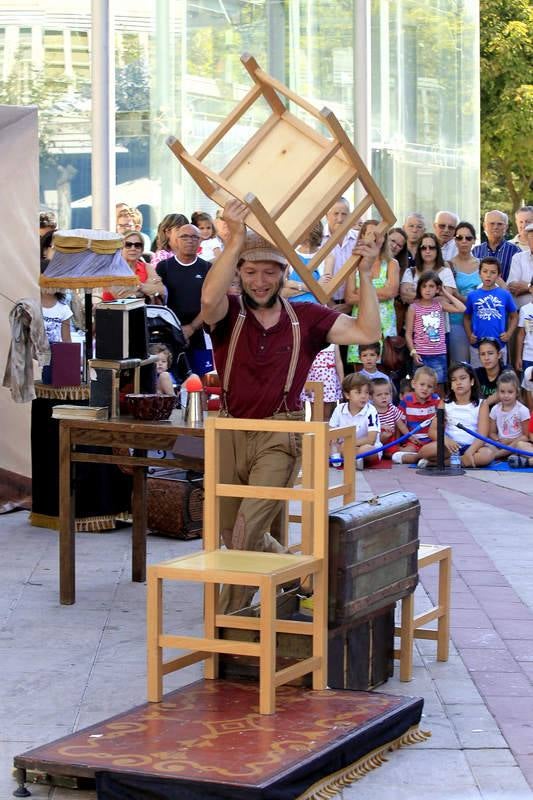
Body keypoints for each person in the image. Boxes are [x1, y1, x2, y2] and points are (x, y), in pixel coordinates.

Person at [201, 198, 381, 612]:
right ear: (239, 274)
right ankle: (302, 578)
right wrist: (234, 241)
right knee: (232, 533)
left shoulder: (307, 317)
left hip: (280, 435)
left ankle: (229, 626)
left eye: (269, 272)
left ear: (284, 274)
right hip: (229, 430)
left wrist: (367, 276)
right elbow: (208, 300)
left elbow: (367, 329)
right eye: (250, 271)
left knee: (246, 534)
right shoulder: (228, 312)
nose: (259, 281)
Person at [157, 222, 212, 375]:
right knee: (172, 380)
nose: (190, 240)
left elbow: (211, 302)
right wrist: (178, 331)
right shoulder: (164, 267)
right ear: (176, 240)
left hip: (200, 333)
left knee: (202, 380)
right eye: (185, 236)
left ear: (200, 241)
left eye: (194, 237)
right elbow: (159, 303)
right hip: (171, 335)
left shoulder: (207, 268)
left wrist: (193, 327)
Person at [345, 220, 399, 367]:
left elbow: (391, 292)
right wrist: (381, 291)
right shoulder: (353, 265)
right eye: (369, 234)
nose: (374, 239)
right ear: (362, 236)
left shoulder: (391, 264)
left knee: (384, 369)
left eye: (378, 235)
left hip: (385, 325)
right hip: (360, 323)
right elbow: (349, 297)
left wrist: (361, 292)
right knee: (360, 372)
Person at [420, 362, 494, 469]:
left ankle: (439, 463)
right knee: (425, 451)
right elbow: (432, 431)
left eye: (462, 378)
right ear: (451, 385)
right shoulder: (444, 403)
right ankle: (461, 461)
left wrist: (470, 452)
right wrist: (446, 440)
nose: (458, 382)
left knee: (487, 455)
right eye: (454, 380)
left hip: (472, 447)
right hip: (449, 447)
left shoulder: (482, 404)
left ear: (472, 381)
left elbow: (482, 435)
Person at [405, 271, 466, 395]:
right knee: (421, 389)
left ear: (437, 289)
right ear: (419, 288)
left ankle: (439, 413)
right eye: (424, 286)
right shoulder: (413, 308)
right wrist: (413, 352)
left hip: (438, 354)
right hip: (420, 354)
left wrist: (445, 293)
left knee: (439, 389)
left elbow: (462, 308)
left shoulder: (439, 305)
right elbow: (408, 334)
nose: (427, 290)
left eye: (431, 286)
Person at [463, 257, 518, 367]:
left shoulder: (505, 295)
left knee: (500, 378)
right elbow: (466, 317)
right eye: (485, 271)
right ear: (479, 273)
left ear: (498, 275)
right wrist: (469, 335)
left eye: (493, 272)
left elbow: (514, 316)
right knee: (478, 377)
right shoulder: (472, 296)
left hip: (499, 345)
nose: (488, 275)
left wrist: (508, 334)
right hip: (477, 346)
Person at [329, 373, 381, 470]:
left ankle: (351, 458)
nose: (363, 396)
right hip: (344, 447)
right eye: (358, 392)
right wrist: (334, 443)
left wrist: (349, 443)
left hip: (365, 447)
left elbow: (371, 439)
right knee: (324, 446)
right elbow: (331, 432)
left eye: (366, 392)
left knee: (367, 449)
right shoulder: (339, 409)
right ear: (347, 395)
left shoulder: (371, 410)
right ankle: (353, 459)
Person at [391, 366, 440, 465]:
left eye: (429, 386)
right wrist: (405, 439)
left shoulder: (436, 400)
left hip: (431, 441)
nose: (425, 388)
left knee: (439, 449)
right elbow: (399, 422)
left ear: (434, 389)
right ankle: (422, 459)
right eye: (422, 384)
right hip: (413, 441)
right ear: (414, 384)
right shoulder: (407, 400)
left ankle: (420, 458)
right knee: (396, 456)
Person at [102, 231, 166, 303]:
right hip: (113, 312)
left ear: (142, 250)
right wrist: (147, 289)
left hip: (143, 312)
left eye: (137, 245)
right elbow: (124, 297)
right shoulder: (111, 269)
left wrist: (138, 287)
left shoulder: (147, 267)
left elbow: (161, 290)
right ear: (120, 248)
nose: (133, 248)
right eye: (128, 245)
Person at [448, 221, 480, 363]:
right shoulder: (448, 265)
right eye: (459, 237)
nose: (464, 241)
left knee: (480, 365)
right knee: (460, 365)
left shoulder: (483, 264)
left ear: (474, 240)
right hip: (456, 321)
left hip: (479, 321)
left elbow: (502, 289)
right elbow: (449, 293)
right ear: (455, 240)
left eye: (468, 238)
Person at [400, 233, 457, 306]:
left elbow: (447, 299)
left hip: (438, 316)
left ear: (437, 250)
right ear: (419, 251)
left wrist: (416, 295)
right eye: (423, 248)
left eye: (431, 247)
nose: (427, 251)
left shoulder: (446, 272)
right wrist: (436, 295)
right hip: (414, 316)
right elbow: (405, 297)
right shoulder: (410, 272)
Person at [284, 220, 331, 303]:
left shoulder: (327, 256)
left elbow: (325, 290)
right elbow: (282, 291)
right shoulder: (289, 255)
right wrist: (314, 287)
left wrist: (292, 284)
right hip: (293, 310)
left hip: (318, 309)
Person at [322, 197, 358, 303]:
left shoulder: (358, 239)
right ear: (326, 215)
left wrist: (350, 304)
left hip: (353, 302)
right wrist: (329, 304)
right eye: (336, 213)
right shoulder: (318, 240)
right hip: (324, 303)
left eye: (344, 214)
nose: (340, 219)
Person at [488, 371, 530, 461]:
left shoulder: (522, 410)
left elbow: (526, 436)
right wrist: (497, 440)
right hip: (500, 444)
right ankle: (505, 455)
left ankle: (497, 456)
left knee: (521, 444)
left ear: (517, 393)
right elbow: (491, 433)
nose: (506, 395)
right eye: (502, 392)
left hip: (515, 444)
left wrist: (509, 441)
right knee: (485, 445)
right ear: (498, 392)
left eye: (510, 392)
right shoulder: (495, 409)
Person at [472, 210, 520, 282]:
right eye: (492, 223)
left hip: (506, 292)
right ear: (485, 226)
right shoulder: (476, 251)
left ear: (506, 227)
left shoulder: (516, 251)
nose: (495, 227)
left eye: (500, 224)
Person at [301, 342, 343, 420]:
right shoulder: (309, 342)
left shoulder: (333, 342)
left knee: (327, 413)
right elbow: (304, 362)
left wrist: (342, 381)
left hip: (329, 382)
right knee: (315, 413)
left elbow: (338, 362)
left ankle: (325, 431)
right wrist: (306, 383)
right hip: (313, 380)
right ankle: (314, 431)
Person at [371, 377, 409, 458]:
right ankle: (385, 452)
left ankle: (389, 452)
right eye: (379, 395)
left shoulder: (392, 408)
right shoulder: (370, 410)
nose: (384, 397)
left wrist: (410, 436)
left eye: (386, 394)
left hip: (390, 440)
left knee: (392, 444)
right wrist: (382, 426)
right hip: (376, 439)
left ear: (391, 394)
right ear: (371, 397)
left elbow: (401, 425)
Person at [475, 337, 507, 402]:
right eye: (482, 354)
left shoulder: (507, 372)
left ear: (499, 355)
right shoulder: (476, 373)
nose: (486, 358)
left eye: (490, 353)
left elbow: (505, 391)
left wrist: (485, 404)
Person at [515, 293, 533, 411]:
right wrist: (518, 357)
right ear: (531, 288)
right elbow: (521, 334)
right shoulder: (525, 309)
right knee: (528, 390)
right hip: (528, 356)